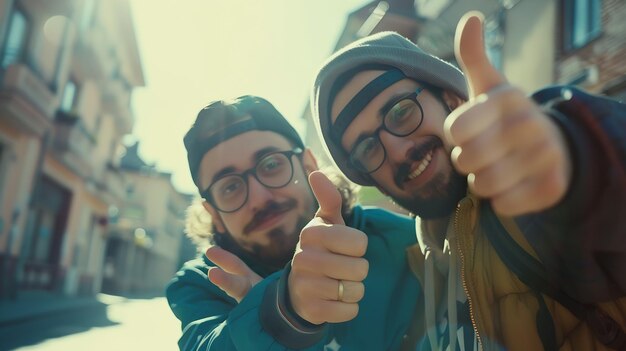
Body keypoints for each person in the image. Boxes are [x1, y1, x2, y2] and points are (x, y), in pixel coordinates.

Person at [310, 12, 626, 351]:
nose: (398, 151)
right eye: (368, 148)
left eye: (401, 112)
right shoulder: (418, 273)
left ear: (452, 99)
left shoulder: (532, 202)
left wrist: (576, 156)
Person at [166, 95, 422, 350]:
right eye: (230, 187)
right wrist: (281, 315)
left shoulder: (408, 242)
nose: (259, 197)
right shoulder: (200, 283)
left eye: (271, 164)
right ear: (214, 215)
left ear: (309, 166)